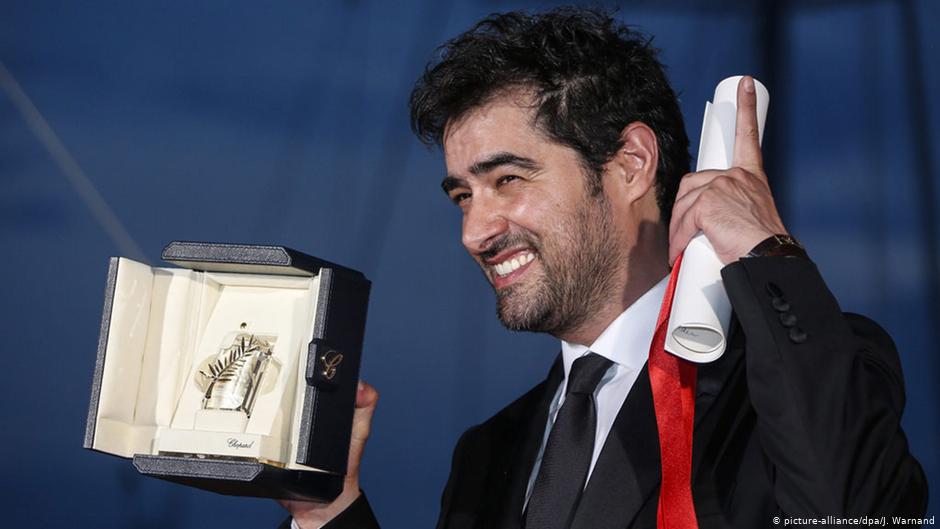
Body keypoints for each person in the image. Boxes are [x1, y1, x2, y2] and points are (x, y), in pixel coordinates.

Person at [280, 8, 927, 529]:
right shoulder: (487, 454)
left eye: (507, 178)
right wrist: (327, 508)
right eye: (463, 195)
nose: (474, 231)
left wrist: (765, 252)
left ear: (630, 164)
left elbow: (855, 509)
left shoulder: (781, 387)